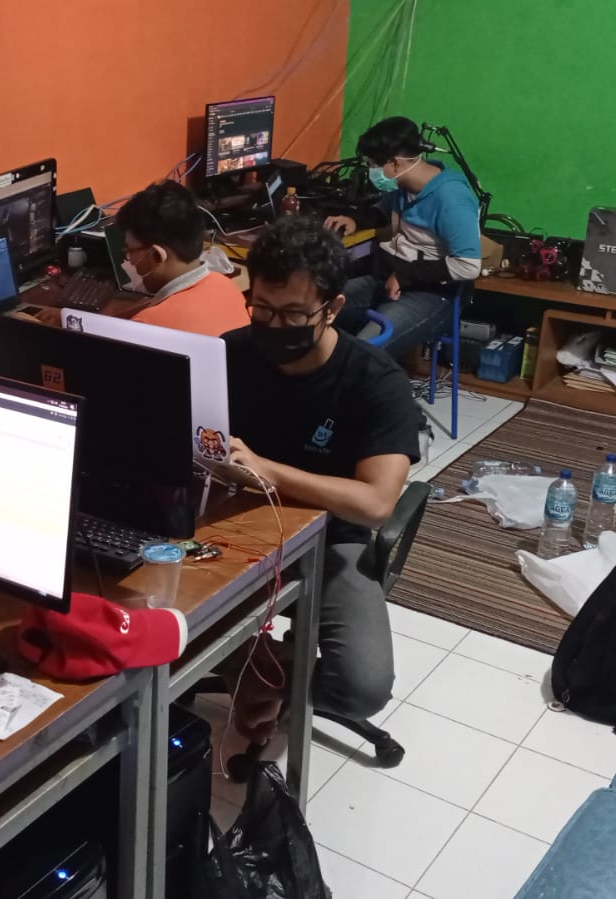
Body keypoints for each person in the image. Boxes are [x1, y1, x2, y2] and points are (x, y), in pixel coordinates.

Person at [222, 217, 423, 739]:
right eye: (262, 309)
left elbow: (376, 503)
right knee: (157, 625)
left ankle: (268, 673)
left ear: (332, 308)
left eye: (293, 314)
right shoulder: (228, 354)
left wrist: (269, 470)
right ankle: (245, 663)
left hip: (332, 539)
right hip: (231, 526)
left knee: (363, 687)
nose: (274, 326)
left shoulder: (376, 381)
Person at [324, 116, 481, 358]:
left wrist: (404, 275)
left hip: (432, 294)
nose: (371, 171)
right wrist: (356, 221)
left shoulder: (451, 199)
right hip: (387, 279)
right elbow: (384, 209)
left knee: (363, 351)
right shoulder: (405, 185)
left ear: (395, 163)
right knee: (315, 306)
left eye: (373, 164)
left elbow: (469, 266)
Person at [115, 180, 250, 337]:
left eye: (130, 250)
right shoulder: (226, 286)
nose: (128, 260)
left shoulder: (147, 326)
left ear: (157, 255)